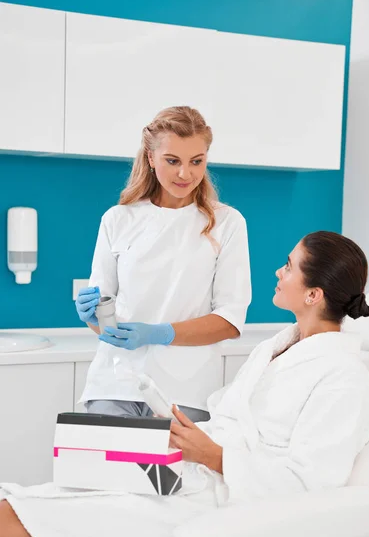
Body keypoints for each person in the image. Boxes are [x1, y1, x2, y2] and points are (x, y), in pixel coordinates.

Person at [0, 231, 369, 537]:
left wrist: (216, 457)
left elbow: (311, 488)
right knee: (17, 502)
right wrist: (185, 433)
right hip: (187, 481)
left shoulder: (344, 380)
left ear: (313, 294)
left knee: (13, 526)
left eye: (288, 265)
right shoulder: (277, 347)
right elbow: (231, 416)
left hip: (219, 513)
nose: (278, 271)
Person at [74, 106, 252, 422]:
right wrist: (90, 315)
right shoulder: (118, 219)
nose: (185, 173)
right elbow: (104, 321)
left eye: (196, 161)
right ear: (150, 158)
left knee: (168, 474)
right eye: (173, 161)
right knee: (103, 472)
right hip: (114, 384)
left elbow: (229, 320)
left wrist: (158, 333)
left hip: (185, 391)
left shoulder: (227, 223)